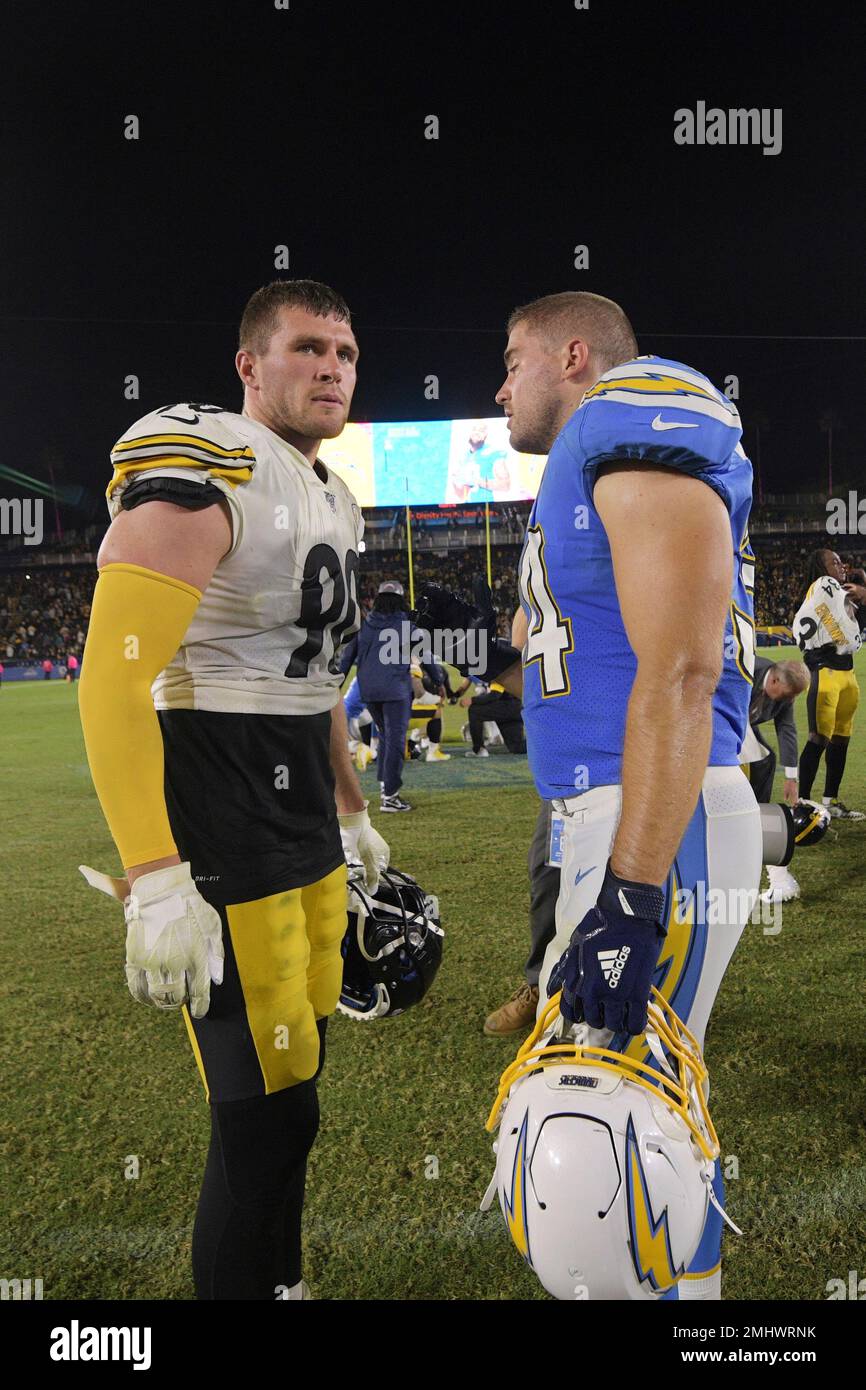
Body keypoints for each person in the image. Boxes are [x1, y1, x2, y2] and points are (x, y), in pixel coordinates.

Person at [416, 289, 760, 1300]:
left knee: (595, 1145)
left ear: (572, 356)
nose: (498, 387)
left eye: (511, 362)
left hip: (653, 820)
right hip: (623, 814)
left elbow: (683, 666)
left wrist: (633, 889)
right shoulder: (588, 461)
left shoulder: (631, 407)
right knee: (643, 1119)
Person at [77, 278, 390, 1301]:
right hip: (222, 816)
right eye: (307, 349)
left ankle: (280, 1282)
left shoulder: (333, 494)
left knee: (296, 1086)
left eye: (344, 351)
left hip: (301, 815)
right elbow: (114, 673)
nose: (332, 368)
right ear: (250, 365)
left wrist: (349, 805)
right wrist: (156, 875)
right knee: (262, 1113)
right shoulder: (210, 459)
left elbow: (317, 677)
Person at [338, 580, 442, 812]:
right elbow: (425, 655)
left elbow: (346, 659)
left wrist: (336, 685)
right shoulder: (407, 626)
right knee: (395, 740)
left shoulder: (364, 626)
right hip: (395, 690)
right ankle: (391, 796)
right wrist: (438, 679)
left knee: (386, 736)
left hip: (369, 691)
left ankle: (386, 787)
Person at [794, 549, 864, 819]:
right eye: (833, 562)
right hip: (826, 671)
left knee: (841, 740)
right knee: (818, 738)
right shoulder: (823, 587)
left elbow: (857, 627)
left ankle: (831, 801)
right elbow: (838, 635)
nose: (841, 565)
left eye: (840, 561)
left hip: (847, 674)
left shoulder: (840, 595)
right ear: (821, 568)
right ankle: (802, 804)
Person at [740, 656, 809, 902]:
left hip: (741, 741)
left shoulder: (784, 690)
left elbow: (787, 729)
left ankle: (779, 877)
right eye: (788, 695)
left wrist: (791, 777)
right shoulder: (743, 668)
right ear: (775, 679)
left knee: (756, 805)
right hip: (713, 732)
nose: (789, 701)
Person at [462, 678, 526, 756]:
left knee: (474, 711)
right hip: (516, 710)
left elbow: (494, 695)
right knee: (517, 747)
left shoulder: (498, 673)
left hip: (507, 707)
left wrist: (472, 700)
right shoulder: (507, 672)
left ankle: (479, 749)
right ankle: (542, 744)